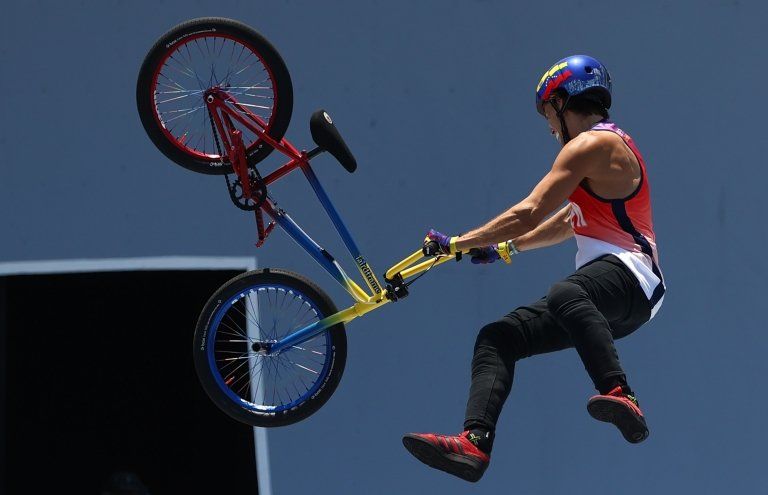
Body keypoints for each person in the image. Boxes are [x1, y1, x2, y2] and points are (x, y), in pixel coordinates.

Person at [402, 55, 665, 483]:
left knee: (566, 293)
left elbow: (528, 211)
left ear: (562, 101)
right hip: (604, 299)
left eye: (547, 113)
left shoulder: (594, 144)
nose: (548, 127)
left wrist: (459, 242)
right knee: (498, 338)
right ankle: (474, 443)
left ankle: (621, 393)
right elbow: (566, 220)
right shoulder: (595, 157)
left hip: (635, 279)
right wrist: (506, 248)